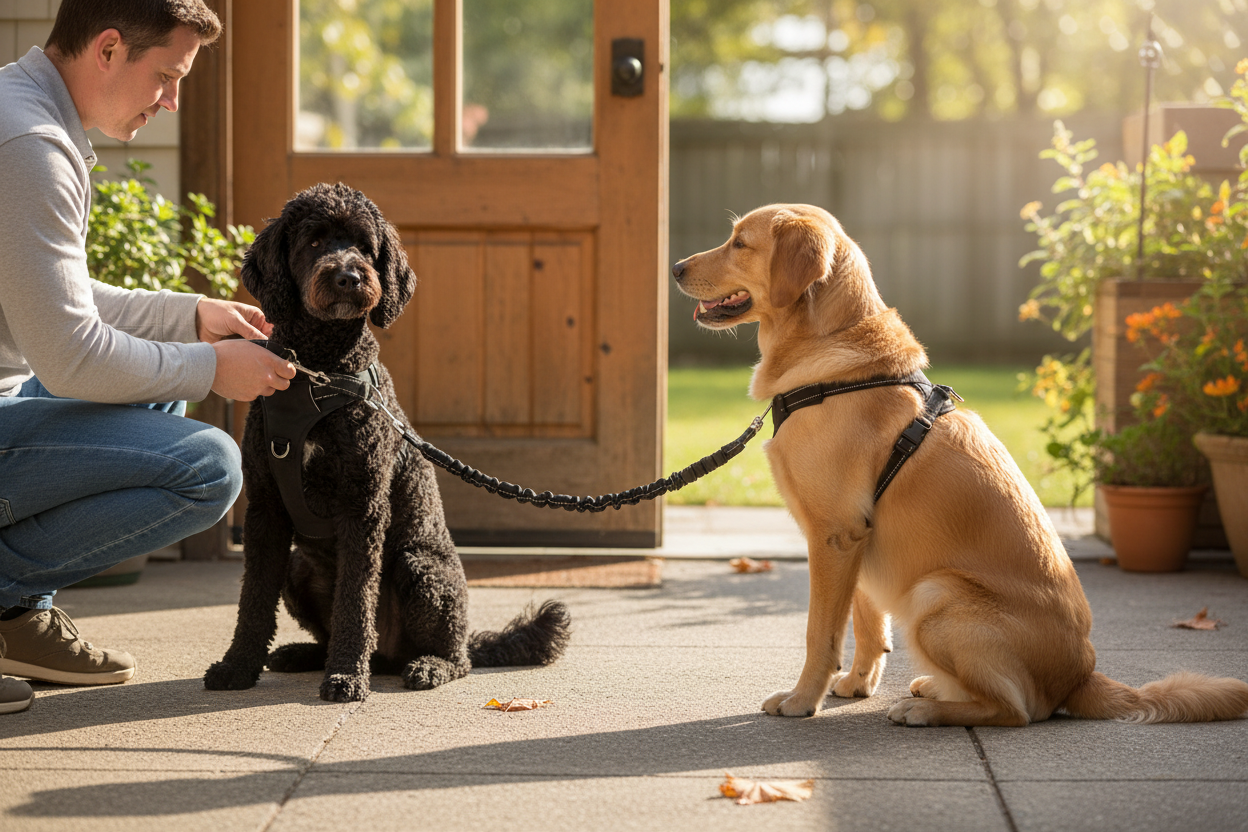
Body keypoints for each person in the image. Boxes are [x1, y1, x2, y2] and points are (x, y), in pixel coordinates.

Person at [0, 0, 296, 715]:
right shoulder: (31, 146)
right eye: (166, 75)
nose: (171, 100)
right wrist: (213, 370)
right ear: (107, 50)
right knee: (208, 467)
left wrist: (188, 317)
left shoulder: (25, 105)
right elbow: (71, 356)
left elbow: (55, 297)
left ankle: (14, 623)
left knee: (155, 384)